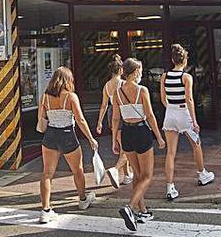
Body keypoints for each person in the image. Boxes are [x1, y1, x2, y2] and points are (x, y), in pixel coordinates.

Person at [37, 66, 99, 223]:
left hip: (50, 136)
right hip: (67, 136)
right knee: (77, 170)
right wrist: (91, 139)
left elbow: (41, 118)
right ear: (67, 80)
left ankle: (45, 210)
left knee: (47, 174)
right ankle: (83, 199)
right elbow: (80, 120)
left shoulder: (45, 97)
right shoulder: (71, 97)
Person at [112, 57, 166, 232]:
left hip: (126, 133)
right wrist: (159, 137)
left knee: (137, 174)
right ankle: (129, 207)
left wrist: (114, 139)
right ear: (135, 72)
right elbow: (150, 116)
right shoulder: (142, 90)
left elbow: (115, 118)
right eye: (140, 70)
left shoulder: (117, 92)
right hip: (141, 131)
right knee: (147, 176)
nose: (141, 73)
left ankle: (141, 210)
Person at [161, 44, 215, 201]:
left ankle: (170, 187)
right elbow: (189, 99)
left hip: (169, 113)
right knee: (196, 144)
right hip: (184, 112)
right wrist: (194, 121)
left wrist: (171, 109)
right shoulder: (186, 77)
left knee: (171, 153)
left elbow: (163, 99)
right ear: (185, 61)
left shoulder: (164, 76)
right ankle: (202, 173)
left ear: (172, 59)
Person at [96, 54, 134, 188]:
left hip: (112, 114)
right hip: (124, 114)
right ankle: (116, 169)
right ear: (121, 70)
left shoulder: (106, 86)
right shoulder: (123, 84)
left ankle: (127, 175)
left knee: (123, 145)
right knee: (128, 147)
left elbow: (104, 105)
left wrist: (99, 122)